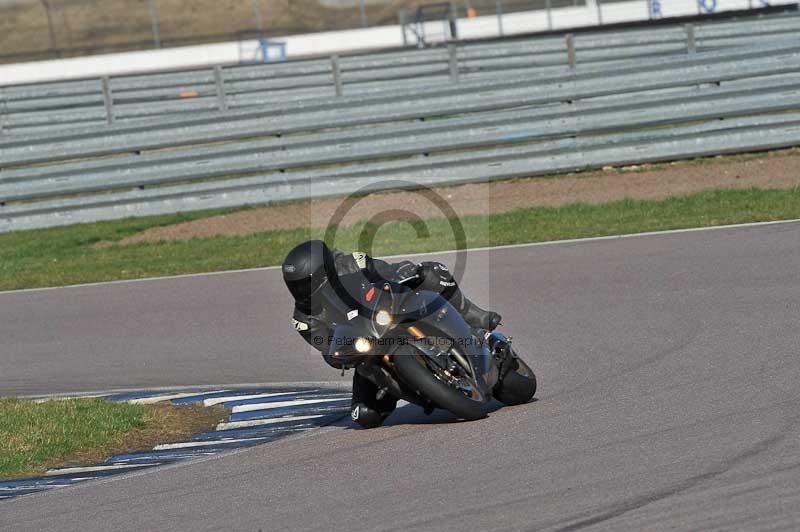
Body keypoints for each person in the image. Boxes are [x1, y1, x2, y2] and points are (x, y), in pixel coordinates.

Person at [282, 239, 502, 429]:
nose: (300, 292)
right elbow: (325, 346)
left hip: (391, 312)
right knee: (365, 416)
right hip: (367, 350)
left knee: (433, 273)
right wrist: (338, 354)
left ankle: (474, 318)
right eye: (295, 286)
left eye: (304, 284)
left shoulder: (352, 263)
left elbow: (386, 272)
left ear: (324, 273)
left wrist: (404, 271)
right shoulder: (303, 319)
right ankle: (410, 389)